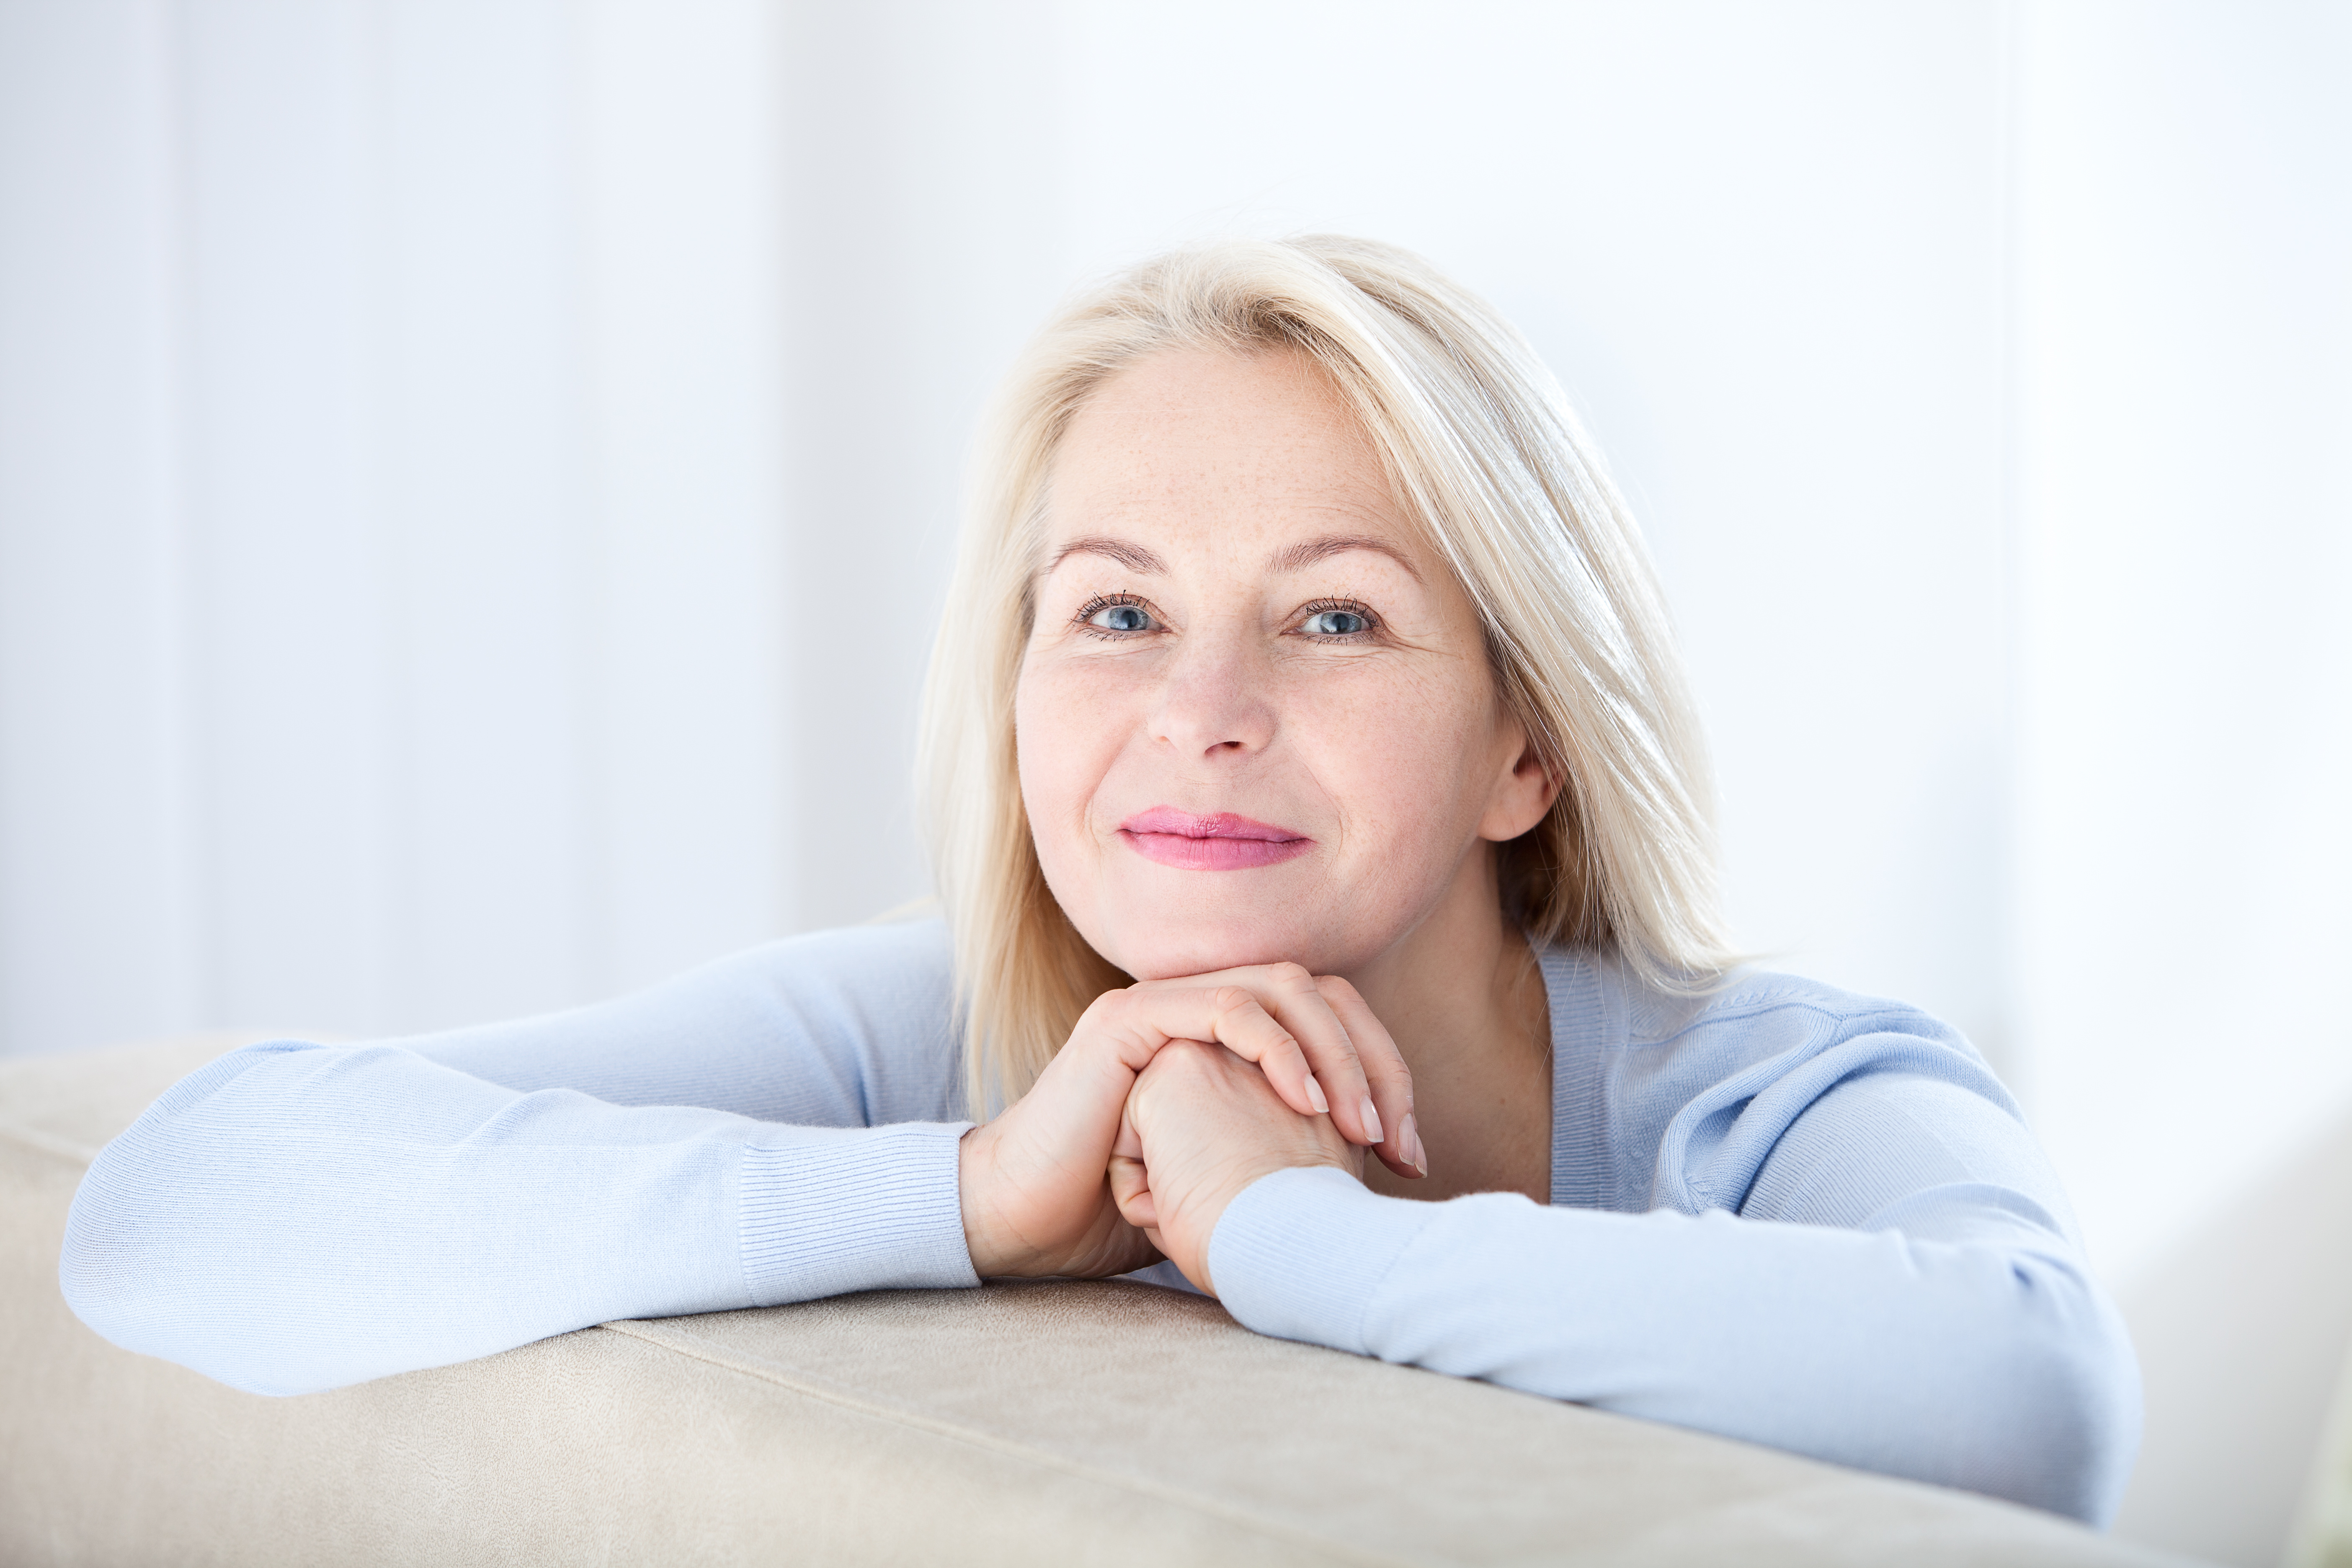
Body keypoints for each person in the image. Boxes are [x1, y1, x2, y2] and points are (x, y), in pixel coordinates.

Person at [59, 235, 2140, 1524]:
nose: (1200, 710)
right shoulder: (938, 1026)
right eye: (1117, 613)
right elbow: (187, 1208)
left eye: (1332, 621)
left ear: (1528, 744)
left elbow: (2037, 1405)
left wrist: (1290, 1236)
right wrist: (969, 1193)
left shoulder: (1782, 1091)